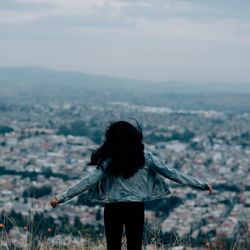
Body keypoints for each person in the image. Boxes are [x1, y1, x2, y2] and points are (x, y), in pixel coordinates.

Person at [50, 121, 212, 250]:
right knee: (134, 247)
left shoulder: (109, 160)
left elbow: (88, 181)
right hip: (135, 208)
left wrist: (61, 197)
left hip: (113, 208)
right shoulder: (145, 157)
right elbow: (172, 173)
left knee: (113, 247)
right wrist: (201, 185)